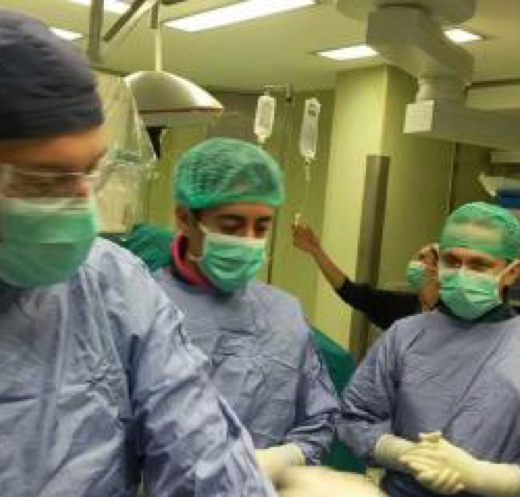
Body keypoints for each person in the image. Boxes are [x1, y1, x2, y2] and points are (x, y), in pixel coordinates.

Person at [0, 9, 276, 496]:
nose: (83, 207)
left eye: (91, 171)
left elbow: (204, 461)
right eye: (44, 181)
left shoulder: (116, 287)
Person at [153, 137, 340, 486]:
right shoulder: (145, 308)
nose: (248, 239)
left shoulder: (284, 313)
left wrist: (280, 459)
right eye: (231, 225)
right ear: (184, 218)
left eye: (262, 227)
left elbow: (319, 419)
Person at [338, 202, 520, 497]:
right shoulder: (404, 336)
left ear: (512, 272)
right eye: (452, 261)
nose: (462, 273)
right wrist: (405, 454)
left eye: (479, 265)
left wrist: (480, 476)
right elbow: (355, 418)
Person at [293, 223, 439, 329]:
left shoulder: (448, 318)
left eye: (422, 258)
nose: (414, 263)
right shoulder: (403, 308)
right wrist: (316, 251)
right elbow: (351, 292)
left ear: (437, 270)